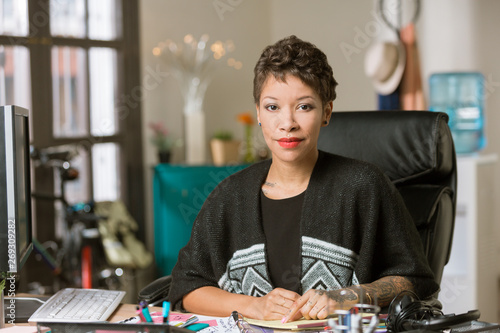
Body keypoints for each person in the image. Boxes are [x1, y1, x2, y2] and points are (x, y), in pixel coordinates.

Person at [169, 35, 439, 322]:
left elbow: (413, 280)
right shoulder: (229, 196)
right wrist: (253, 306)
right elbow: (187, 288)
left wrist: (348, 297)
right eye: (272, 107)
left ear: (327, 112)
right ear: (258, 113)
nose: (288, 124)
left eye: (304, 106)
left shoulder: (364, 185)